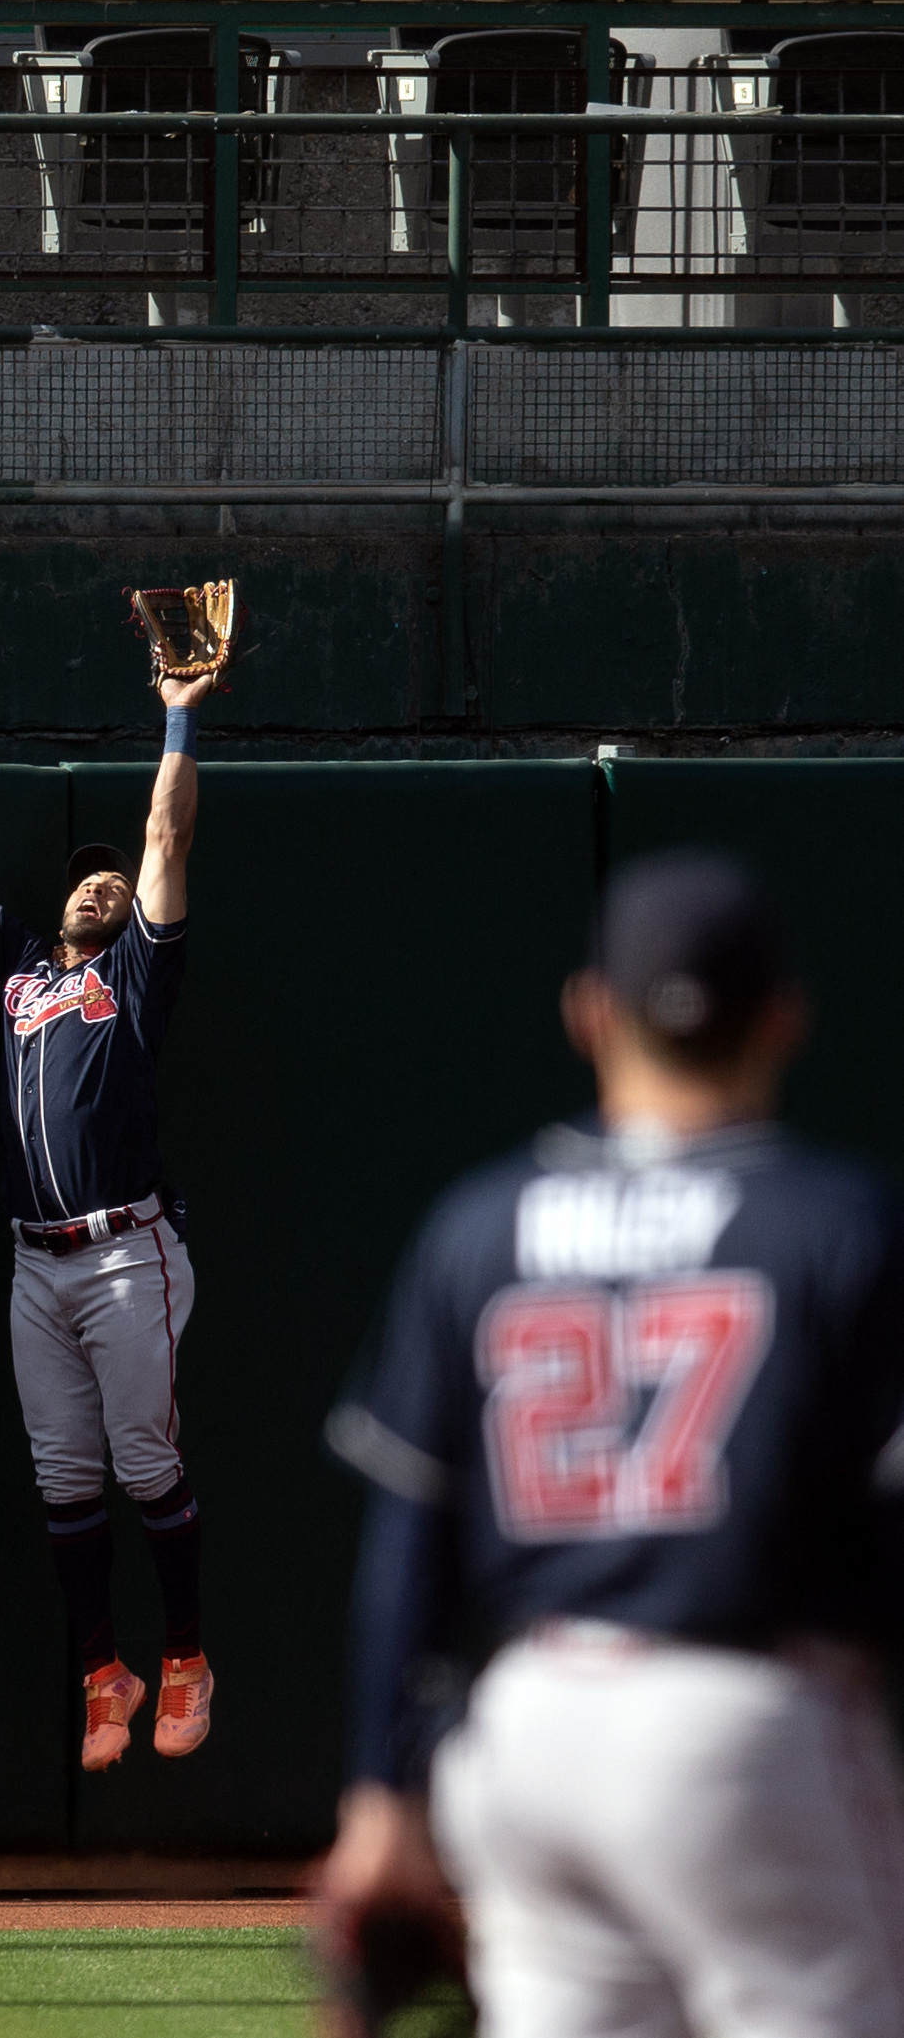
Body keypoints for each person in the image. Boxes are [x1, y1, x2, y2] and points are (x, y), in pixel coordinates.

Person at [319, 847, 904, 2038]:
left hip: (528, 1732)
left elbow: (406, 1538)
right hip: (749, 1721)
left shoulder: (477, 1230)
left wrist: (378, 1795)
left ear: (590, 1015)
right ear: (782, 1019)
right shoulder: (836, 1225)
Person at [0, 670, 215, 1773]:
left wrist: (177, 711)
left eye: (109, 880)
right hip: (37, 1266)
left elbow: (163, 835)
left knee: (141, 1462)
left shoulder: (136, 973)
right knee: (64, 1476)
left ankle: (186, 1659)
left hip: (125, 1252)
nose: (99, 886)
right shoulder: (21, 972)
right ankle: (101, 1672)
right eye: (84, 881)